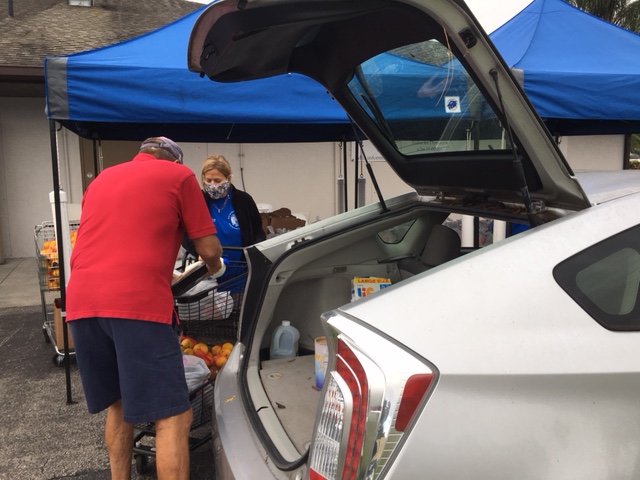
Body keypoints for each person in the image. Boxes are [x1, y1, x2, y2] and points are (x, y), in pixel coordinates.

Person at [65, 136, 222, 480]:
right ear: (175, 161)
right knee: (174, 416)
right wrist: (213, 268)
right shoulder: (179, 178)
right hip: (136, 304)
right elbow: (209, 250)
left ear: (141, 154)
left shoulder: (101, 179)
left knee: (119, 404)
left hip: (82, 302)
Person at [183, 154, 265, 290]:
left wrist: (252, 255)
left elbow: (258, 231)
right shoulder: (197, 200)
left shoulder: (244, 200)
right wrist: (199, 253)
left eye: (217, 180)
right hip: (207, 274)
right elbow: (184, 233)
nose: (212, 185)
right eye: (208, 180)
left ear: (228, 178)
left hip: (239, 274)